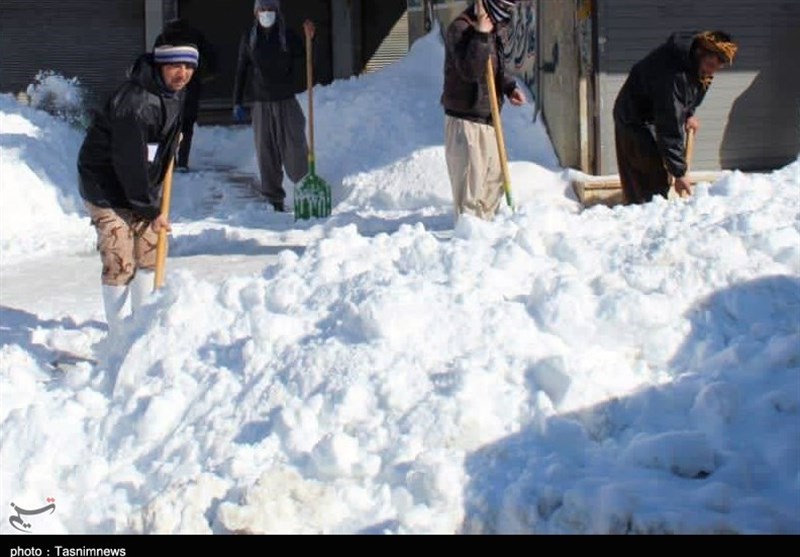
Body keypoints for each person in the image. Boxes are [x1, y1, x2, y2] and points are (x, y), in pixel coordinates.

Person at [77, 41, 198, 338]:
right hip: (106, 186)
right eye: (174, 66)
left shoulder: (172, 93)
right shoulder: (136, 102)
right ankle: (120, 336)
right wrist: (150, 209)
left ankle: (142, 326)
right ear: (160, 67)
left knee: (150, 252)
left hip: (139, 184)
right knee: (120, 258)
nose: (182, 73)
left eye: (188, 67)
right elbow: (128, 161)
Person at [613, 31, 738, 204]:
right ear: (699, 53)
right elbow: (669, 124)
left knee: (656, 176)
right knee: (648, 178)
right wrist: (680, 173)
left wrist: (688, 114)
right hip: (634, 118)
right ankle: (644, 215)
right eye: (710, 64)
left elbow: (686, 98)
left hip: (655, 112)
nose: (712, 71)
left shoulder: (698, 67)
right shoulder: (675, 73)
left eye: (718, 66)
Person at [442, 0, 526, 223]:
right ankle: (469, 243)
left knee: (492, 185)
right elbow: (470, 71)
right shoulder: (460, 28)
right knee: (471, 190)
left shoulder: (492, 27)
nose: (507, 12)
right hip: (466, 120)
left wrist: (508, 87)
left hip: (489, 118)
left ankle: (486, 240)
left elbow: (495, 66)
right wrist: (480, 35)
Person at [232, 0, 316, 213]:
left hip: (286, 101)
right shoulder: (249, 39)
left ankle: (304, 187)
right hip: (261, 103)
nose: (266, 13)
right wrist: (237, 101)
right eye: (263, 9)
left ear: (277, 13)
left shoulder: (287, 36)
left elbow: (307, 58)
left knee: (294, 146)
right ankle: (274, 200)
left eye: (271, 10)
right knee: (265, 151)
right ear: (256, 13)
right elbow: (241, 70)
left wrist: (310, 39)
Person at [155, 18, 218, 172]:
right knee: (187, 126)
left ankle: (170, 160)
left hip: (169, 87)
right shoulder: (195, 36)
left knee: (169, 124)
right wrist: (203, 76)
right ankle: (183, 161)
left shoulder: (164, 37)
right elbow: (211, 57)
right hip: (191, 85)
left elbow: (156, 63)